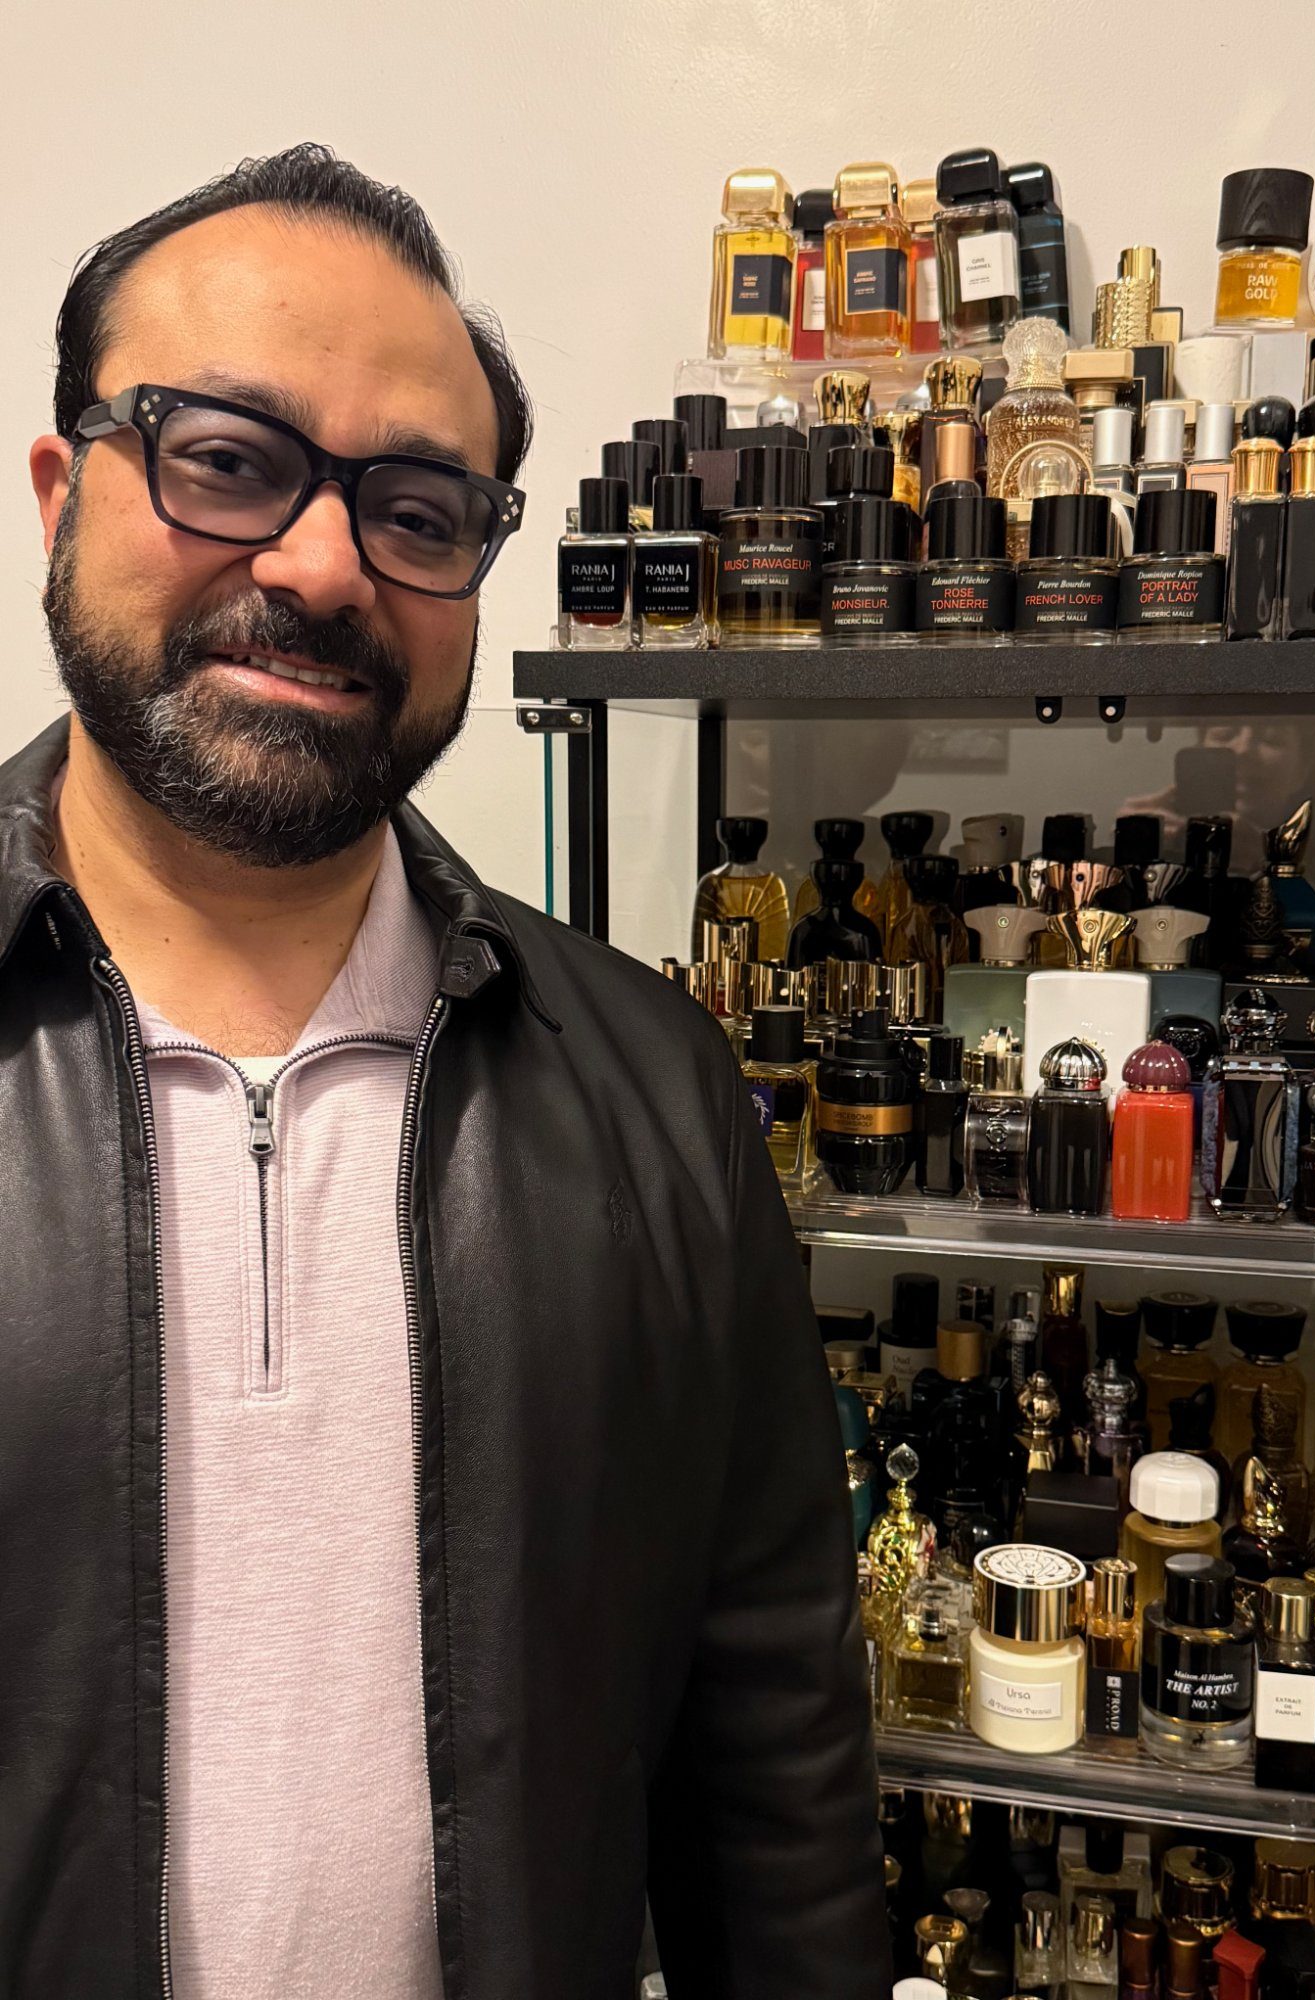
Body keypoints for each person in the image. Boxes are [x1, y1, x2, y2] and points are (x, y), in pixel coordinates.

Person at [5, 144, 885, 2000]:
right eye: (226, 460)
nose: (323, 567)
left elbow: (773, 1753)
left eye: (415, 509)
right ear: (60, 491)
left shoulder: (653, 1096)